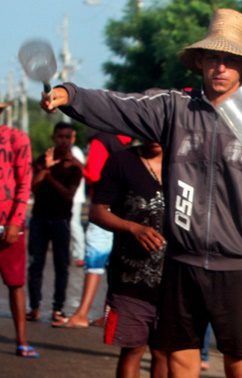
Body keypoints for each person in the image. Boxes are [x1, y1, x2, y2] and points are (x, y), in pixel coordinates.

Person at [41, 8, 242, 377]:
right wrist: (70, 94)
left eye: (230, 60)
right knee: (180, 364)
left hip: (238, 267)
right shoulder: (173, 109)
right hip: (182, 264)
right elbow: (119, 105)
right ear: (200, 61)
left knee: (241, 369)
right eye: (214, 57)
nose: (221, 67)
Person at [90, 141, 167, 378]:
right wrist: (133, 228)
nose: (152, 135)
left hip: (175, 277)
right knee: (132, 349)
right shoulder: (121, 161)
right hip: (130, 276)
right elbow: (97, 211)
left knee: (164, 352)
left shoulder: (183, 162)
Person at [53, 132, 132, 328]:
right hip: (125, 209)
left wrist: (79, 166)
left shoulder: (100, 140)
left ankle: (82, 313)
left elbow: (94, 174)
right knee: (115, 264)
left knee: (94, 261)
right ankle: (108, 314)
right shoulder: (129, 138)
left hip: (103, 208)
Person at [27, 122, 83, 323]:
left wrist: (49, 175)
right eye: (60, 136)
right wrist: (45, 169)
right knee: (36, 264)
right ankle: (34, 307)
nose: (64, 141)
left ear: (73, 139)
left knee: (62, 266)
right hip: (39, 218)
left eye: (68, 137)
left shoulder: (75, 165)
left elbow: (69, 195)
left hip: (61, 220)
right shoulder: (43, 159)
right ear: (54, 137)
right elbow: (32, 186)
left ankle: (57, 309)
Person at [0, 103, 37, 357]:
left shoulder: (16, 138)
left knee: (15, 283)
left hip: (9, 223)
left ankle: (21, 341)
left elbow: (25, 181)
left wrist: (16, 221)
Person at [70, 143, 86, 267]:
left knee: (74, 223)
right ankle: (76, 252)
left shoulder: (75, 151)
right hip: (70, 195)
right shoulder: (74, 151)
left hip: (75, 196)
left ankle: (80, 254)